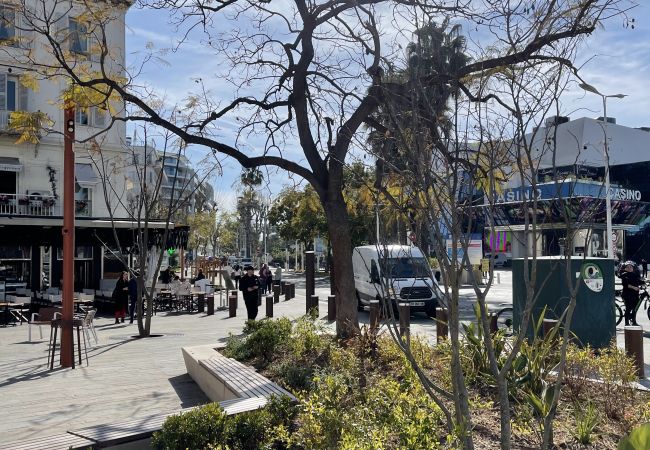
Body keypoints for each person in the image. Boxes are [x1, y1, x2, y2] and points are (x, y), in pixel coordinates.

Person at [620, 262, 642, 326]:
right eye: (628, 267)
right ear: (625, 268)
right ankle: (627, 323)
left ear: (633, 268)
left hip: (635, 294)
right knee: (628, 308)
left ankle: (634, 322)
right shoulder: (624, 275)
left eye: (631, 267)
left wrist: (644, 282)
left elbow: (638, 281)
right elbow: (626, 285)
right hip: (627, 294)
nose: (629, 268)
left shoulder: (634, 274)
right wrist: (634, 288)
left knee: (634, 309)